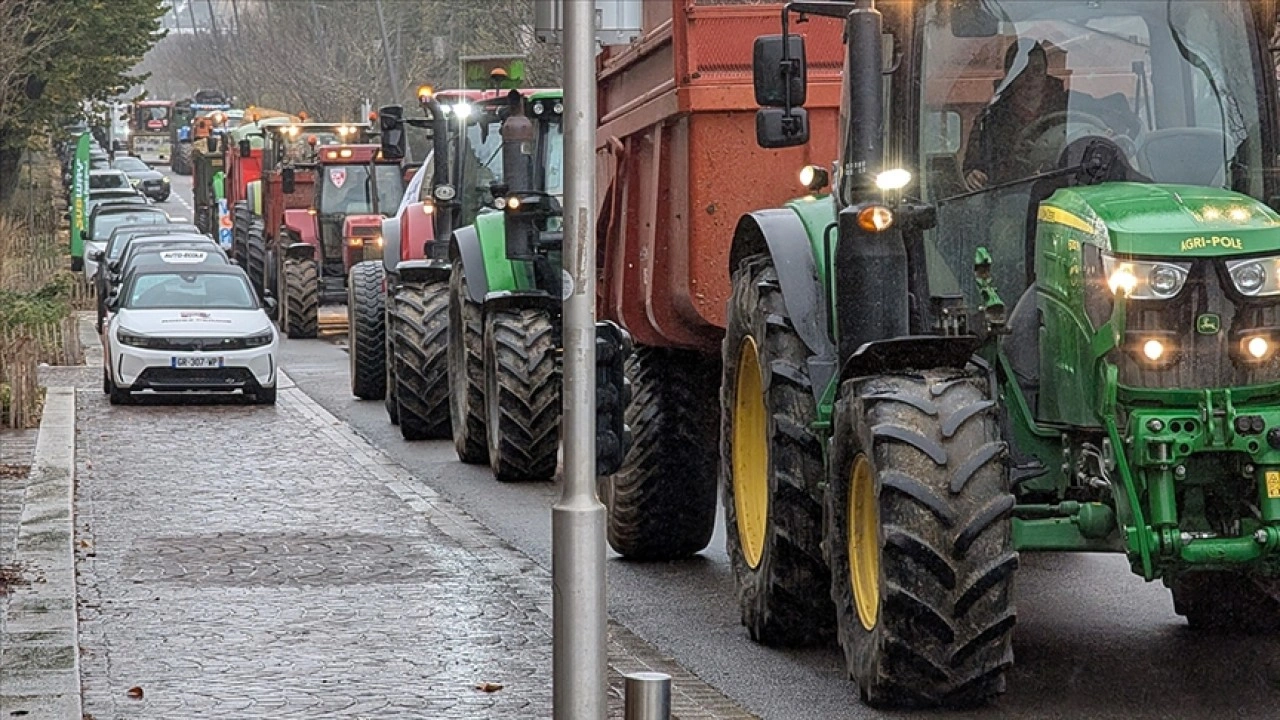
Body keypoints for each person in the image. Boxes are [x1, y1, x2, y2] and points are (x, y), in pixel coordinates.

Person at [963, 39, 1069, 190]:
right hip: (1011, 197)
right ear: (1009, 74)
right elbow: (972, 166)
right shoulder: (990, 119)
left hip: (1066, 190)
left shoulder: (1069, 105)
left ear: (1046, 72)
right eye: (1022, 70)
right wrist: (972, 175)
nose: (1030, 78)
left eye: (1037, 70)